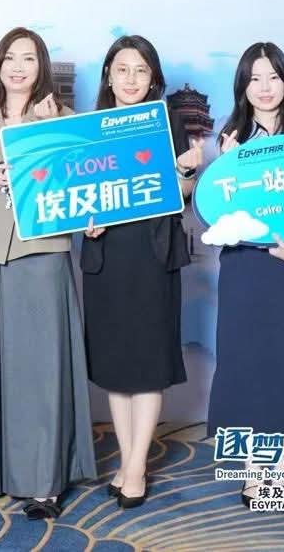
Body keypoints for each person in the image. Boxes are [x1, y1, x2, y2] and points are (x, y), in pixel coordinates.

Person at [0, 28, 95, 520]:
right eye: (10, 58)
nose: (18, 67)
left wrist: (47, 131)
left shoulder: (66, 120)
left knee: (42, 370)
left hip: (42, 254)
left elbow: (86, 186)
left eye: (29, 59)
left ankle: (44, 480)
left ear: (42, 68)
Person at [203, 41, 284, 507]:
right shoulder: (229, 136)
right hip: (245, 265)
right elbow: (212, 211)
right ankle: (255, 470)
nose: (265, 87)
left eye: (273, 77)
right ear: (243, 86)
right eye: (255, 78)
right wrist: (224, 165)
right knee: (245, 362)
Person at [82, 35, 198, 509]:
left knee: (148, 364)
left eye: (141, 70)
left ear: (154, 79)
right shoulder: (89, 128)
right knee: (117, 367)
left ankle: (135, 467)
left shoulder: (167, 122)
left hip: (153, 254)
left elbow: (184, 194)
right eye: (122, 69)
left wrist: (187, 173)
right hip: (106, 254)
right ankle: (130, 458)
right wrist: (84, 221)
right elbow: (75, 195)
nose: (131, 79)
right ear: (108, 76)